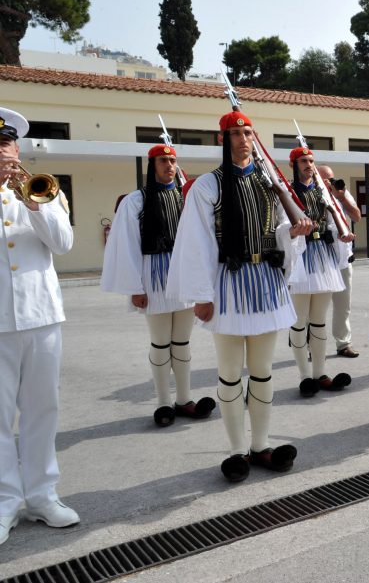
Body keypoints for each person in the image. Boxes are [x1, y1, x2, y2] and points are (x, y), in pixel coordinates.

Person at [167, 110, 311, 482]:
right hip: (227, 284)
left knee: (262, 373)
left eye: (248, 133)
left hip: (265, 281)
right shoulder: (206, 187)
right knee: (230, 374)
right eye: (236, 133)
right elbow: (196, 243)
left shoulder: (268, 181)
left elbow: (277, 229)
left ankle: (261, 444)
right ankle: (236, 450)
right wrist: (201, 294)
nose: (243, 139)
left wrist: (293, 232)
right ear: (223, 140)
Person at [1, 107, 79, 545]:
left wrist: (35, 205)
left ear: (18, 148)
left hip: (41, 315)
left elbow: (64, 244)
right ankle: (5, 500)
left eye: (7, 145)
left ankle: (43, 493)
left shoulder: (42, 190)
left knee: (42, 409)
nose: (4, 153)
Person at [101, 143, 216, 427]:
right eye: (164, 161)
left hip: (183, 275)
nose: (169, 166)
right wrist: (134, 287)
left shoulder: (187, 198)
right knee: (161, 342)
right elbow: (126, 246)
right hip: (153, 277)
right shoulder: (135, 201)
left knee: (182, 342)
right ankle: (163, 401)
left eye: (173, 161)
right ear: (152, 165)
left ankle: (184, 399)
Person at [286, 148, 351, 397]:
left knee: (319, 321)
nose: (309, 165)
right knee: (300, 322)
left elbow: (334, 221)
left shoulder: (322, 191)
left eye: (311, 161)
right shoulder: (288, 192)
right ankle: (305, 376)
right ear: (294, 164)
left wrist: (341, 235)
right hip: (301, 258)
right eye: (303, 161)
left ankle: (320, 373)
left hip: (322, 256)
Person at [319, 166, 363, 358]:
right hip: (321, 261)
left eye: (331, 178)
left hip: (343, 260)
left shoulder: (341, 193)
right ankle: (311, 345)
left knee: (343, 305)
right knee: (316, 309)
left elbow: (357, 216)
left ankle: (343, 343)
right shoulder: (310, 194)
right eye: (325, 179)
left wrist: (342, 197)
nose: (330, 182)